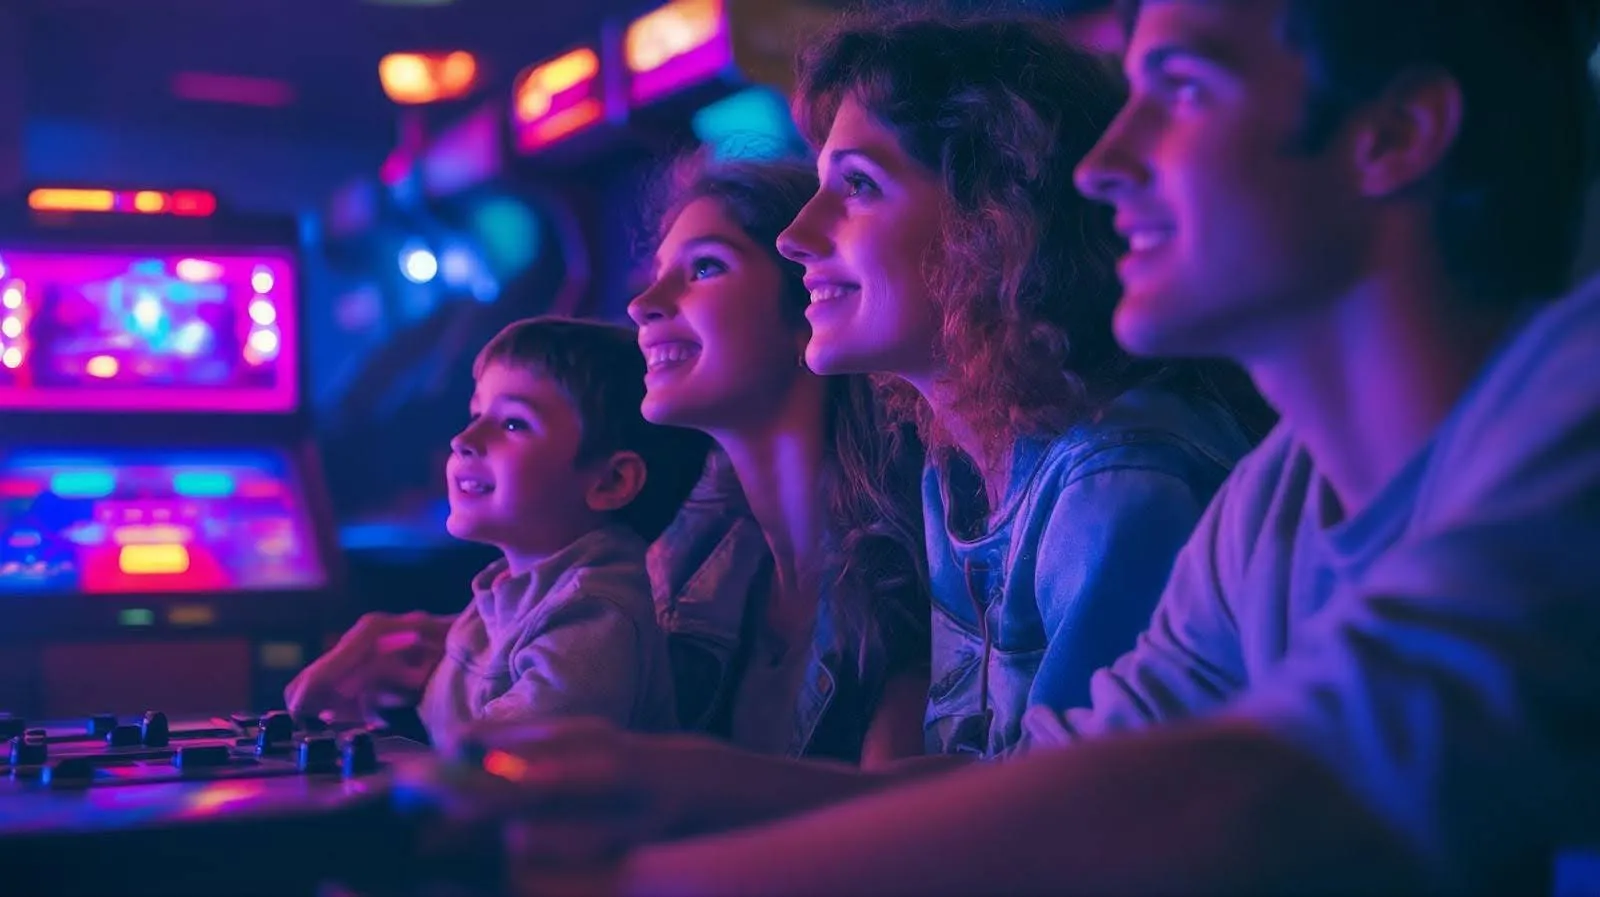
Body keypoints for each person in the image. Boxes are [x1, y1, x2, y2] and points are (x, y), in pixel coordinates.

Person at [433, 0, 1600, 893]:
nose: (1101, 165)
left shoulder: (1573, 408)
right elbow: (1066, 775)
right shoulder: (1272, 501)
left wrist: (645, 876)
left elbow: (1278, 790)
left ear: (1394, 133)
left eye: (1181, 91)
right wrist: (664, 787)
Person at [413, 2, 1266, 857]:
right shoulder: (954, 477)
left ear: (991, 214)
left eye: (855, 185)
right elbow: (989, 779)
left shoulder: (1115, 483)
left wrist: (675, 794)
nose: (799, 235)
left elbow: (1076, 829)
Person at [629, 151, 932, 767]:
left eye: (705, 268)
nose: (644, 304)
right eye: (657, 273)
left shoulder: (907, 583)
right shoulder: (683, 565)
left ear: (810, 309)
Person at [286, 317, 710, 748]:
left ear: (611, 482)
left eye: (513, 423)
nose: (464, 439)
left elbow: (504, 768)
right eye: (476, 414)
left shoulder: (592, 612)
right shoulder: (514, 592)